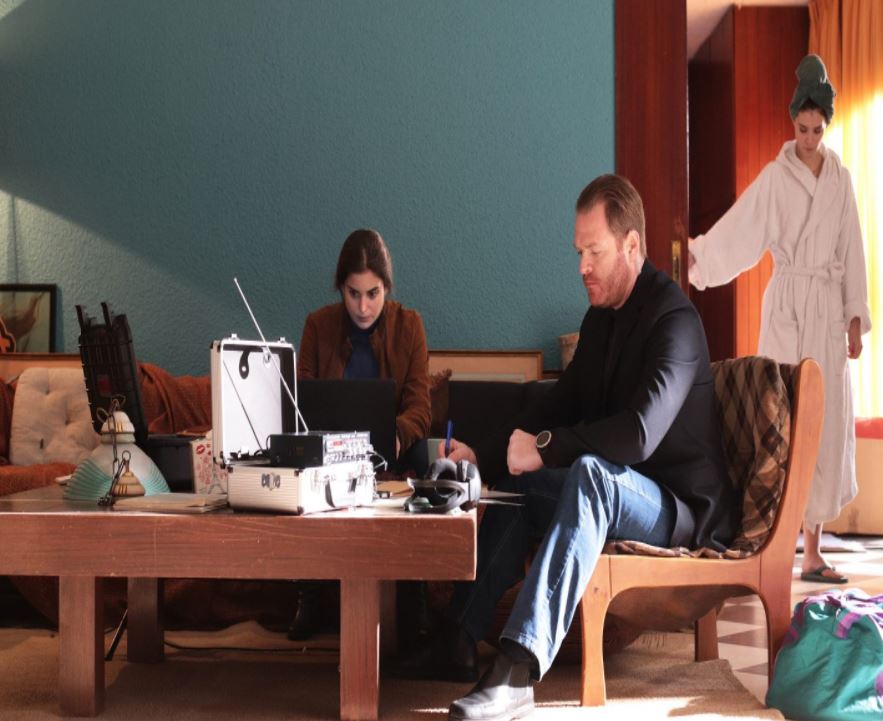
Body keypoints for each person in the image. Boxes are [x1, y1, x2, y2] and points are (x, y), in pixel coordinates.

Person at [397, 174, 740, 721]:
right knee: (527, 484)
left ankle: (517, 672)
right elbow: (559, 402)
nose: (582, 266)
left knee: (589, 476)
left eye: (594, 252)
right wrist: (484, 455)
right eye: (578, 252)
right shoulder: (600, 319)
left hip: (680, 510)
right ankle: (457, 638)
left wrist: (547, 447)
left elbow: (638, 434)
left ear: (631, 245)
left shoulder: (675, 320)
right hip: (626, 491)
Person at [688, 54, 871, 585]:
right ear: (792, 122)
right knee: (783, 423)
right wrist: (699, 257)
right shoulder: (775, 178)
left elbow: (853, 248)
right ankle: (774, 545)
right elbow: (744, 228)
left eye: (817, 130)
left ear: (826, 126)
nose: (810, 139)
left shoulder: (841, 181)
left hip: (826, 307)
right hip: (789, 303)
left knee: (824, 423)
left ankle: (813, 551)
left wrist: (854, 316)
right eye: (802, 128)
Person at [289, 228, 432, 640]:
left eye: (373, 294)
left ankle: (414, 601)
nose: (363, 306)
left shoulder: (409, 325)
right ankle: (310, 596)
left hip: (392, 450)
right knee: (296, 468)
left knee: (423, 459)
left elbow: (420, 407)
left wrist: (395, 436)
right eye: (353, 294)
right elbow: (302, 399)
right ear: (341, 288)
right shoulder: (318, 325)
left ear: (386, 287)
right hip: (327, 452)